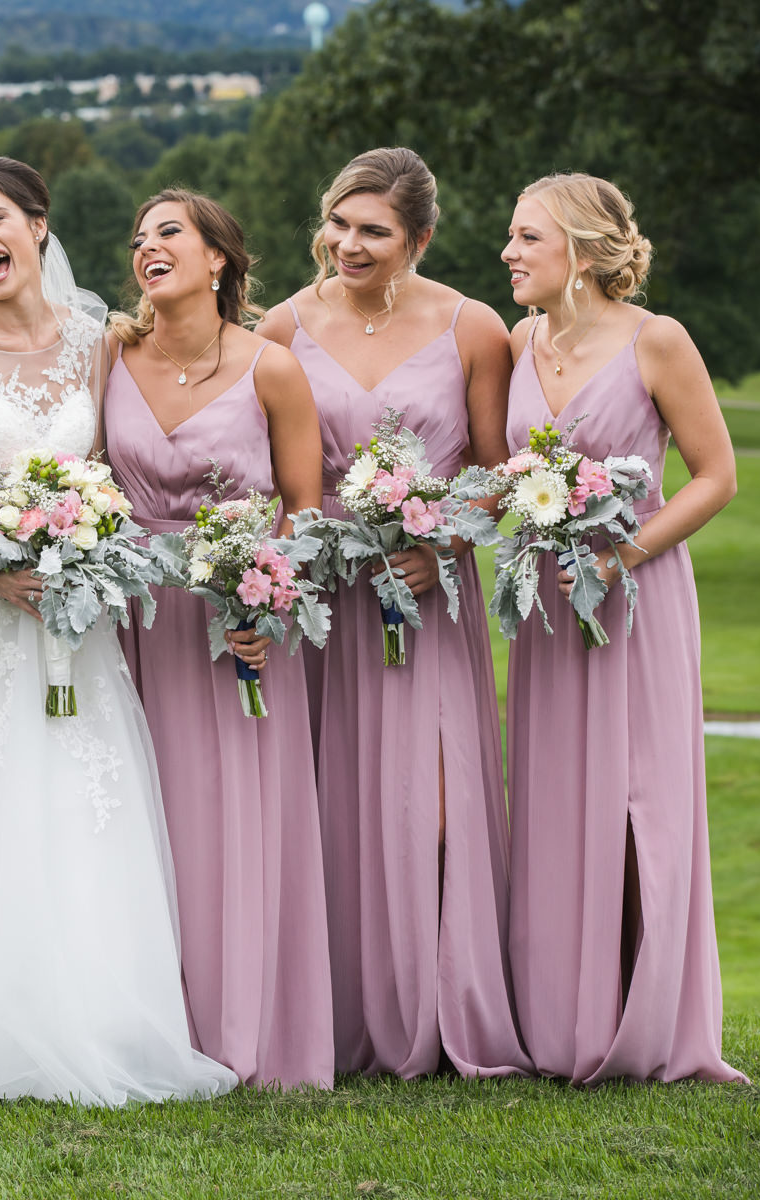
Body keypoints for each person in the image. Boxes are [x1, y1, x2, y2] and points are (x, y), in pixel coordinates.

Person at [0, 157, 237, 1106]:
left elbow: (111, 465)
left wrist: (82, 555)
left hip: (79, 614)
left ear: (39, 227)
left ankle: (105, 1015)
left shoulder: (99, 342)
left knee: (88, 799)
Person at [255, 148, 529, 1079]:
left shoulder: (473, 327)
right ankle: (348, 1017)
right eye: (339, 223)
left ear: (417, 239)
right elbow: (273, 473)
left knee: (438, 809)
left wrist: (442, 538)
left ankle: (448, 1007)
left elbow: (498, 478)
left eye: (374, 230)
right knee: (338, 807)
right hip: (329, 603)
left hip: (428, 598)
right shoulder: (283, 325)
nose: (349, 244)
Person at [500, 173, 745, 1084]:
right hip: (546, 609)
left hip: (634, 600)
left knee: (642, 798)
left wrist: (622, 557)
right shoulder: (520, 339)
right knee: (560, 800)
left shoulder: (658, 340)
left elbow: (715, 476)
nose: (510, 253)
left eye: (528, 238)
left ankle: (654, 1020)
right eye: (510, 237)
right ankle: (566, 1018)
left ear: (583, 249)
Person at [103, 187, 334, 1089]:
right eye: (138, 238)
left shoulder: (271, 367)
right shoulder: (110, 361)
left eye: (169, 234)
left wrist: (269, 600)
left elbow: (306, 508)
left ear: (218, 260)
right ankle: (155, 1023)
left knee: (233, 820)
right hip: (133, 623)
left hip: (237, 629)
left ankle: (244, 1026)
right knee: (140, 815)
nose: (147, 249)